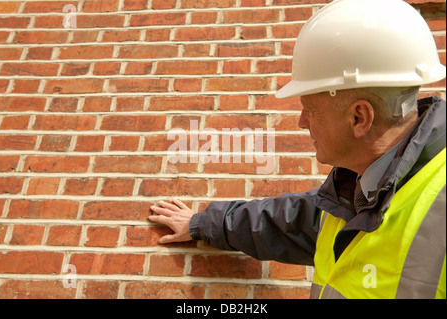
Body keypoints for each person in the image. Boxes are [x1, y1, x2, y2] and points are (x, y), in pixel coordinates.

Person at [149, 0, 446, 299]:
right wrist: (202, 223)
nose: (301, 121)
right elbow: (285, 222)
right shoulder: (358, 194)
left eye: (310, 110)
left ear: (359, 117)